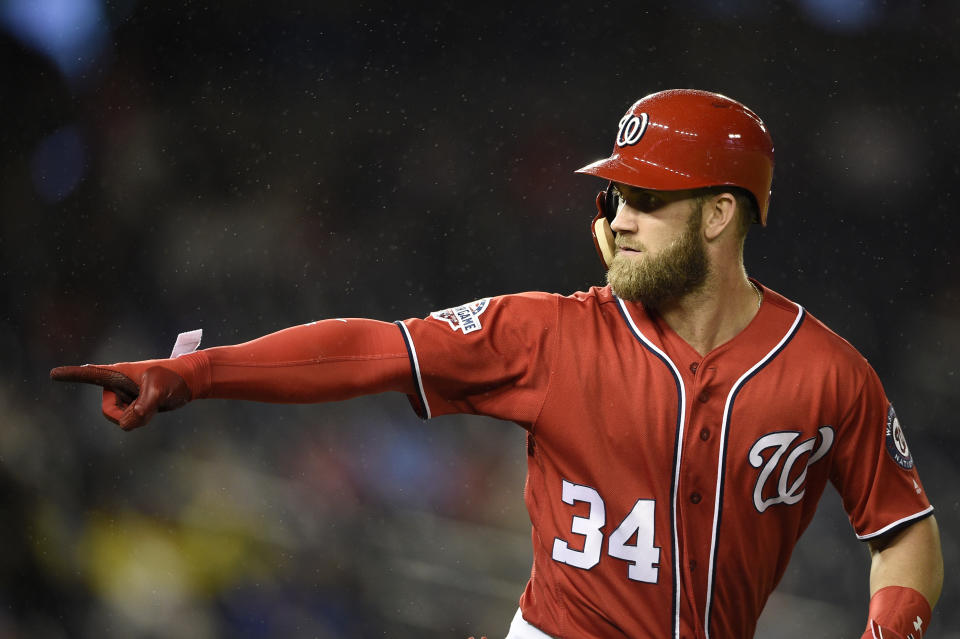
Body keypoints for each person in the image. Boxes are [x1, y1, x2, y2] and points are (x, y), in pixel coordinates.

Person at [52, 89, 943, 639]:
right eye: (613, 195)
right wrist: (196, 374)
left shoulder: (828, 373)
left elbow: (901, 529)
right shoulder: (550, 333)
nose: (616, 216)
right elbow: (375, 347)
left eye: (643, 197)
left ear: (718, 215)